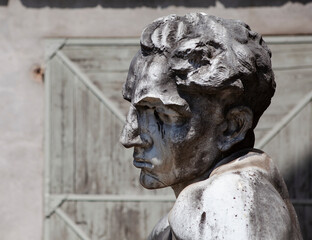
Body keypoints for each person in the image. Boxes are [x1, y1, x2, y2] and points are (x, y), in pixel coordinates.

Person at [120, 13, 302, 239]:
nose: (130, 137)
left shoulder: (227, 199)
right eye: (136, 109)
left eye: (163, 115)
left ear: (232, 127)